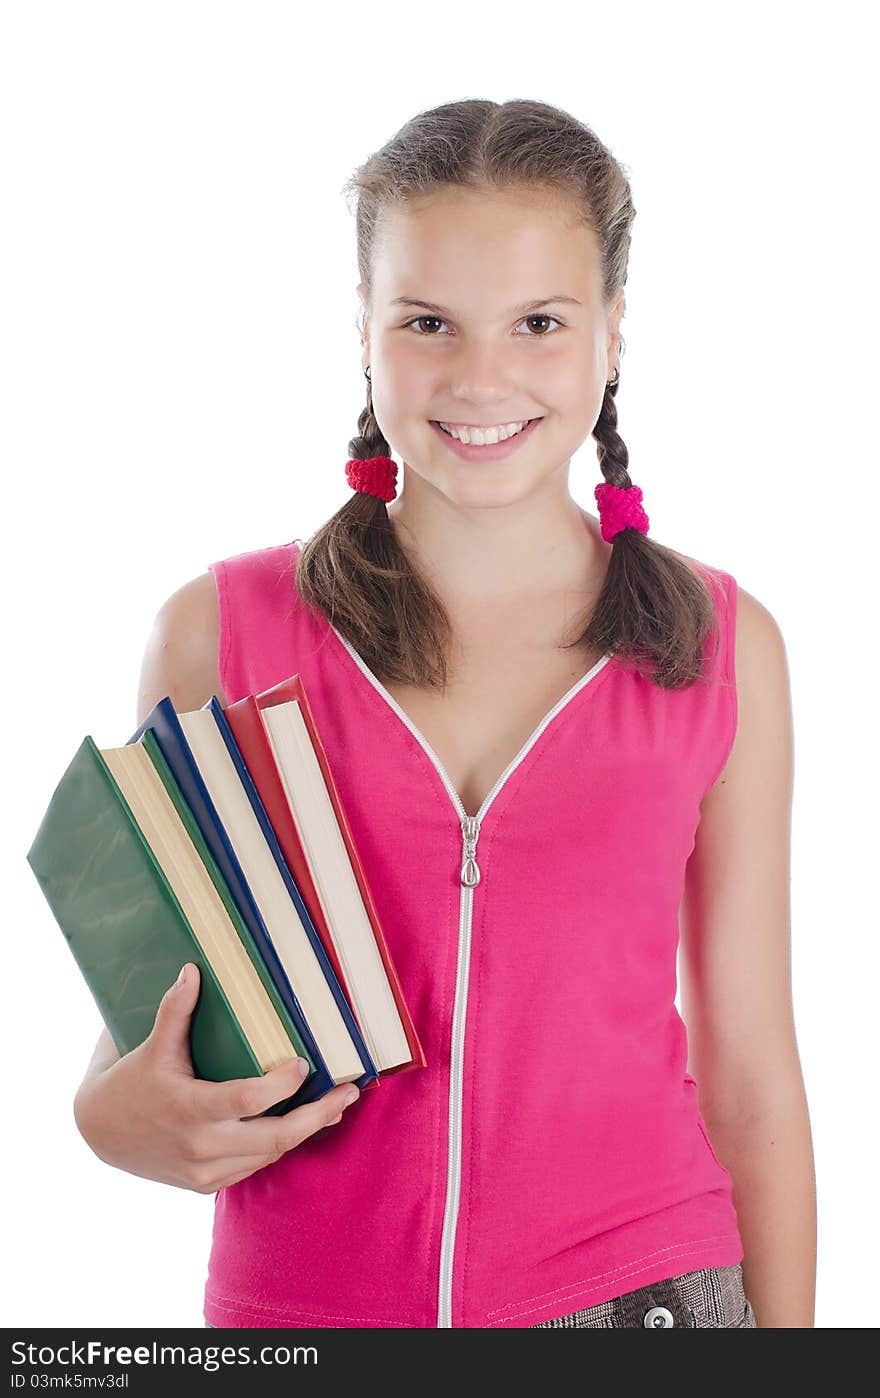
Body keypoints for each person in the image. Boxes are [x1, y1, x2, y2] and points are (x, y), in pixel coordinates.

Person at [72, 97, 816, 1329]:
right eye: (427, 323)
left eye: (539, 323)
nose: (481, 379)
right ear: (361, 333)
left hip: (645, 1305)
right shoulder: (214, 636)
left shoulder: (723, 649)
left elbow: (750, 1076)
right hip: (299, 1320)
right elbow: (138, 1045)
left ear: (613, 336)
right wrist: (121, 1123)